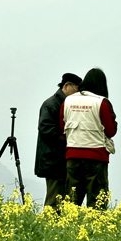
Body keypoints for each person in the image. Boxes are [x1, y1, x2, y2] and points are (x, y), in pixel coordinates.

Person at [62, 68, 117, 208]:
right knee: (97, 203)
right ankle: (95, 229)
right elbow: (110, 131)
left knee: (72, 201)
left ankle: (69, 227)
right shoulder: (101, 103)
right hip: (96, 157)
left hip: (73, 156)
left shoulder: (68, 101)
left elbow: (61, 125)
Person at [35, 73, 81, 209]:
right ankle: (48, 228)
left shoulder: (67, 104)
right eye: (77, 90)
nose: (78, 94)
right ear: (66, 86)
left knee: (65, 200)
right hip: (52, 160)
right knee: (54, 199)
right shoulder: (51, 104)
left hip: (61, 159)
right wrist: (68, 137)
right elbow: (46, 129)